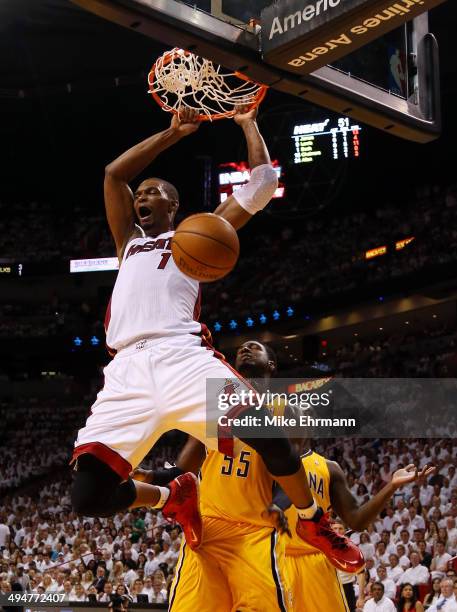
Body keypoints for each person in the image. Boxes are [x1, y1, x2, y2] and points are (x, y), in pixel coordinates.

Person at [70, 104, 361, 570]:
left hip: (182, 356)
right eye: (140, 193)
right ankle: (172, 495)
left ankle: (312, 518)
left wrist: (247, 122)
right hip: (125, 370)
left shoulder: (199, 234)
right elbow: (112, 175)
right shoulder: (129, 242)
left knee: (270, 437)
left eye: (153, 192)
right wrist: (173, 133)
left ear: (173, 205)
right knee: (88, 496)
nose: (142, 196)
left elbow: (263, 183)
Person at [136, 341, 294, 611]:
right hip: (207, 529)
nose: (245, 348)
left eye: (255, 347)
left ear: (271, 365)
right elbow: (183, 469)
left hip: (254, 531)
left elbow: (294, 473)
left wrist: (278, 506)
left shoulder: (284, 408)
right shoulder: (215, 404)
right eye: (241, 347)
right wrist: (150, 475)